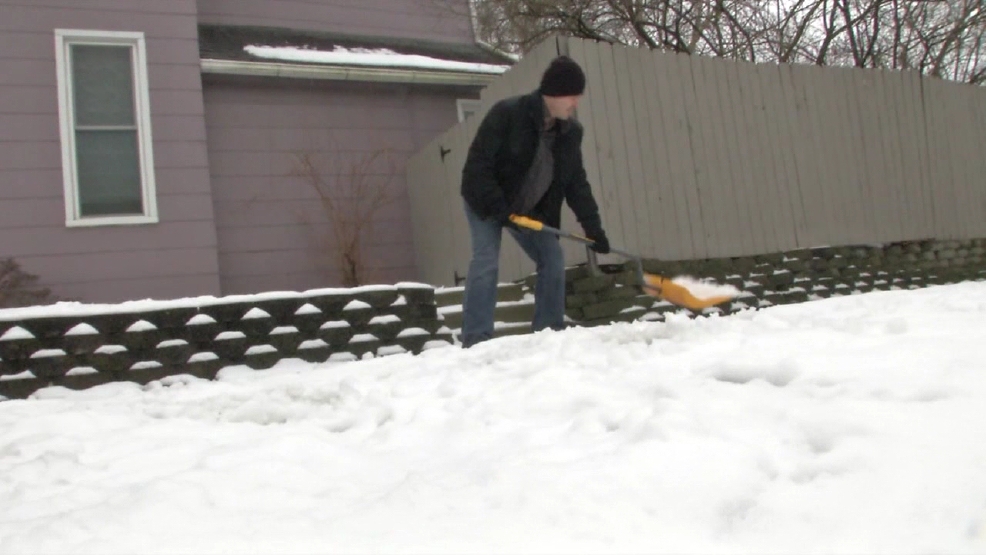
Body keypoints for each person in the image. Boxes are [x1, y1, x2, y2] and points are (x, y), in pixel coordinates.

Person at [459, 55, 610, 348]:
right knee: (486, 260)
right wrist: (499, 208)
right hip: (485, 201)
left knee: (552, 258)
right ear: (554, 92)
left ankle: (548, 333)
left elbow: (576, 185)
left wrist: (594, 230)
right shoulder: (508, 114)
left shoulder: (570, 134)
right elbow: (478, 167)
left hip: (527, 210)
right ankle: (476, 338)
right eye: (572, 96)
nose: (576, 103)